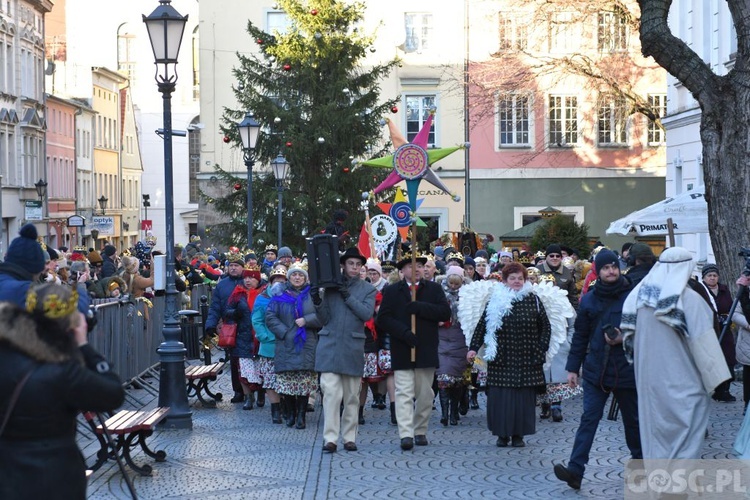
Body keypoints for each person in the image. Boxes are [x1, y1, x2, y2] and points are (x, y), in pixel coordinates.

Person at [0, 283, 125, 500]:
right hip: (56, 475)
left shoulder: (5, 355)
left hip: (7, 473)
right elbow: (113, 394)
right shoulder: (63, 372)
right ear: (71, 325)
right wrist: (84, 346)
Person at [621, 247, 729, 460]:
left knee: (655, 436)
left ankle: (659, 484)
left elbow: (628, 338)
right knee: (685, 437)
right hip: (684, 383)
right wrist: (719, 382)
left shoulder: (637, 297)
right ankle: (677, 486)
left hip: (649, 382)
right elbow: (705, 346)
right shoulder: (690, 300)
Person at [553, 249, 641, 490]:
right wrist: (572, 368)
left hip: (627, 369)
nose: (611, 271)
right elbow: (580, 335)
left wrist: (625, 337)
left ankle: (642, 467)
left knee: (633, 422)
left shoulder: (633, 295)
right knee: (588, 419)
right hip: (596, 371)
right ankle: (575, 471)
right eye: (605, 268)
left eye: (614, 266)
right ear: (598, 272)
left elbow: (646, 328)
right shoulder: (589, 299)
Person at [467, 262, 551, 448]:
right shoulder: (494, 300)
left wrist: (541, 347)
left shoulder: (533, 300)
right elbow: (482, 325)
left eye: (520, 278)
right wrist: (473, 348)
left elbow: (545, 326)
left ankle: (519, 435)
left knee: (523, 399)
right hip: (501, 357)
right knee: (501, 398)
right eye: (512, 278)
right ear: (504, 280)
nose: (516, 282)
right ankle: (502, 434)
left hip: (527, 356)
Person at [376, 252, 451, 450]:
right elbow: (382, 319)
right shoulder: (392, 291)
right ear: (402, 271)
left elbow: (445, 312)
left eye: (420, 265)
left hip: (426, 348)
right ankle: (406, 433)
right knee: (403, 393)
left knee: (425, 394)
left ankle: (420, 429)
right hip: (403, 347)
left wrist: (421, 307)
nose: (417, 269)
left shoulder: (433, 289)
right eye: (411, 266)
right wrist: (403, 333)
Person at [312, 248, 376, 452]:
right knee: (330, 393)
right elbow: (324, 319)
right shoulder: (330, 287)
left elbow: (366, 314)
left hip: (352, 346)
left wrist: (347, 296)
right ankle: (330, 438)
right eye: (351, 264)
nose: (355, 268)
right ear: (343, 265)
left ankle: (349, 436)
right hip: (329, 345)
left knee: (351, 396)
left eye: (358, 265)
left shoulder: (368, 289)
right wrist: (317, 300)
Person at [266, 264, 321, 429]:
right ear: (289, 278)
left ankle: (301, 416)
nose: (297, 278)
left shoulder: (312, 295)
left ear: (305, 278)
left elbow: (323, 315)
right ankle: (290, 414)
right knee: (287, 384)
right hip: (286, 344)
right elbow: (270, 317)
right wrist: (284, 332)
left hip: (307, 344)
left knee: (304, 384)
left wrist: (307, 320)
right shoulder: (279, 295)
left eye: (301, 275)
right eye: (294, 275)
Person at [0, 224, 90, 314]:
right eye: (45, 263)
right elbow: (73, 309)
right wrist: (81, 286)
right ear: (35, 266)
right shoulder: (27, 291)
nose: (47, 268)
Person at [689, 263, 736, 402]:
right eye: (709, 275)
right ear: (704, 277)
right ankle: (717, 389)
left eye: (715, 275)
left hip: (725, 329)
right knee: (713, 359)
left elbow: (730, 305)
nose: (712, 278)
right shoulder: (700, 290)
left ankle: (726, 388)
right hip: (710, 329)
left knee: (728, 359)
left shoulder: (724, 290)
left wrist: (727, 318)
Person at [204, 252, 246, 403]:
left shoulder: (248, 282)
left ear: (243, 267)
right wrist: (210, 324)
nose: (233, 268)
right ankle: (238, 391)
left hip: (247, 325)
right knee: (234, 361)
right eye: (231, 266)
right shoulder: (222, 285)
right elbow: (215, 307)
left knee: (249, 360)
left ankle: (254, 391)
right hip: (230, 327)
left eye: (236, 266)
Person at [252, 266, 288, 424]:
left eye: (282, 280)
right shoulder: (262, 298)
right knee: (270, 380)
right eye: (276, 279)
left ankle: (287, 406)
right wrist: (263, 336)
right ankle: (275, 409)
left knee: (286, 379)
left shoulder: (291, 296)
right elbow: (257, 320)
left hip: (287, 344)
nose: (279, 282)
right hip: (268, 345)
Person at [437, 266, 470, 426]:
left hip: (460, 337)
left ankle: (454, 411)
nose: (454, 287)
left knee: (456, 379)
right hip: (442, 337)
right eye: (451, 283)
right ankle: (444, 412)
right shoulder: (438, 293)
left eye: (457, 284)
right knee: (443, 376)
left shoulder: (469, 294)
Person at [227, 267, 264, 410]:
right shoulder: (238, 294)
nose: (248, 280)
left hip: (260, 337)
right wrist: (235, 313)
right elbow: (227, 311)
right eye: (246, 278)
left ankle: (261, 393)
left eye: (252, 278)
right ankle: (248, 397)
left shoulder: (264, 293)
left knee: (261, 369)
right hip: (242, 336)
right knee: (243, 370)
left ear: (258, 280)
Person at [536, 244, 578, 309]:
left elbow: (573, 295)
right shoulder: (537, 270)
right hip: (541, 309)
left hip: (562, 310)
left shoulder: (567, 271)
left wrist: (575, 311)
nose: (555, 258)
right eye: (551, 256)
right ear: (546, 257)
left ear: (561, 258)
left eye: (558, 256)